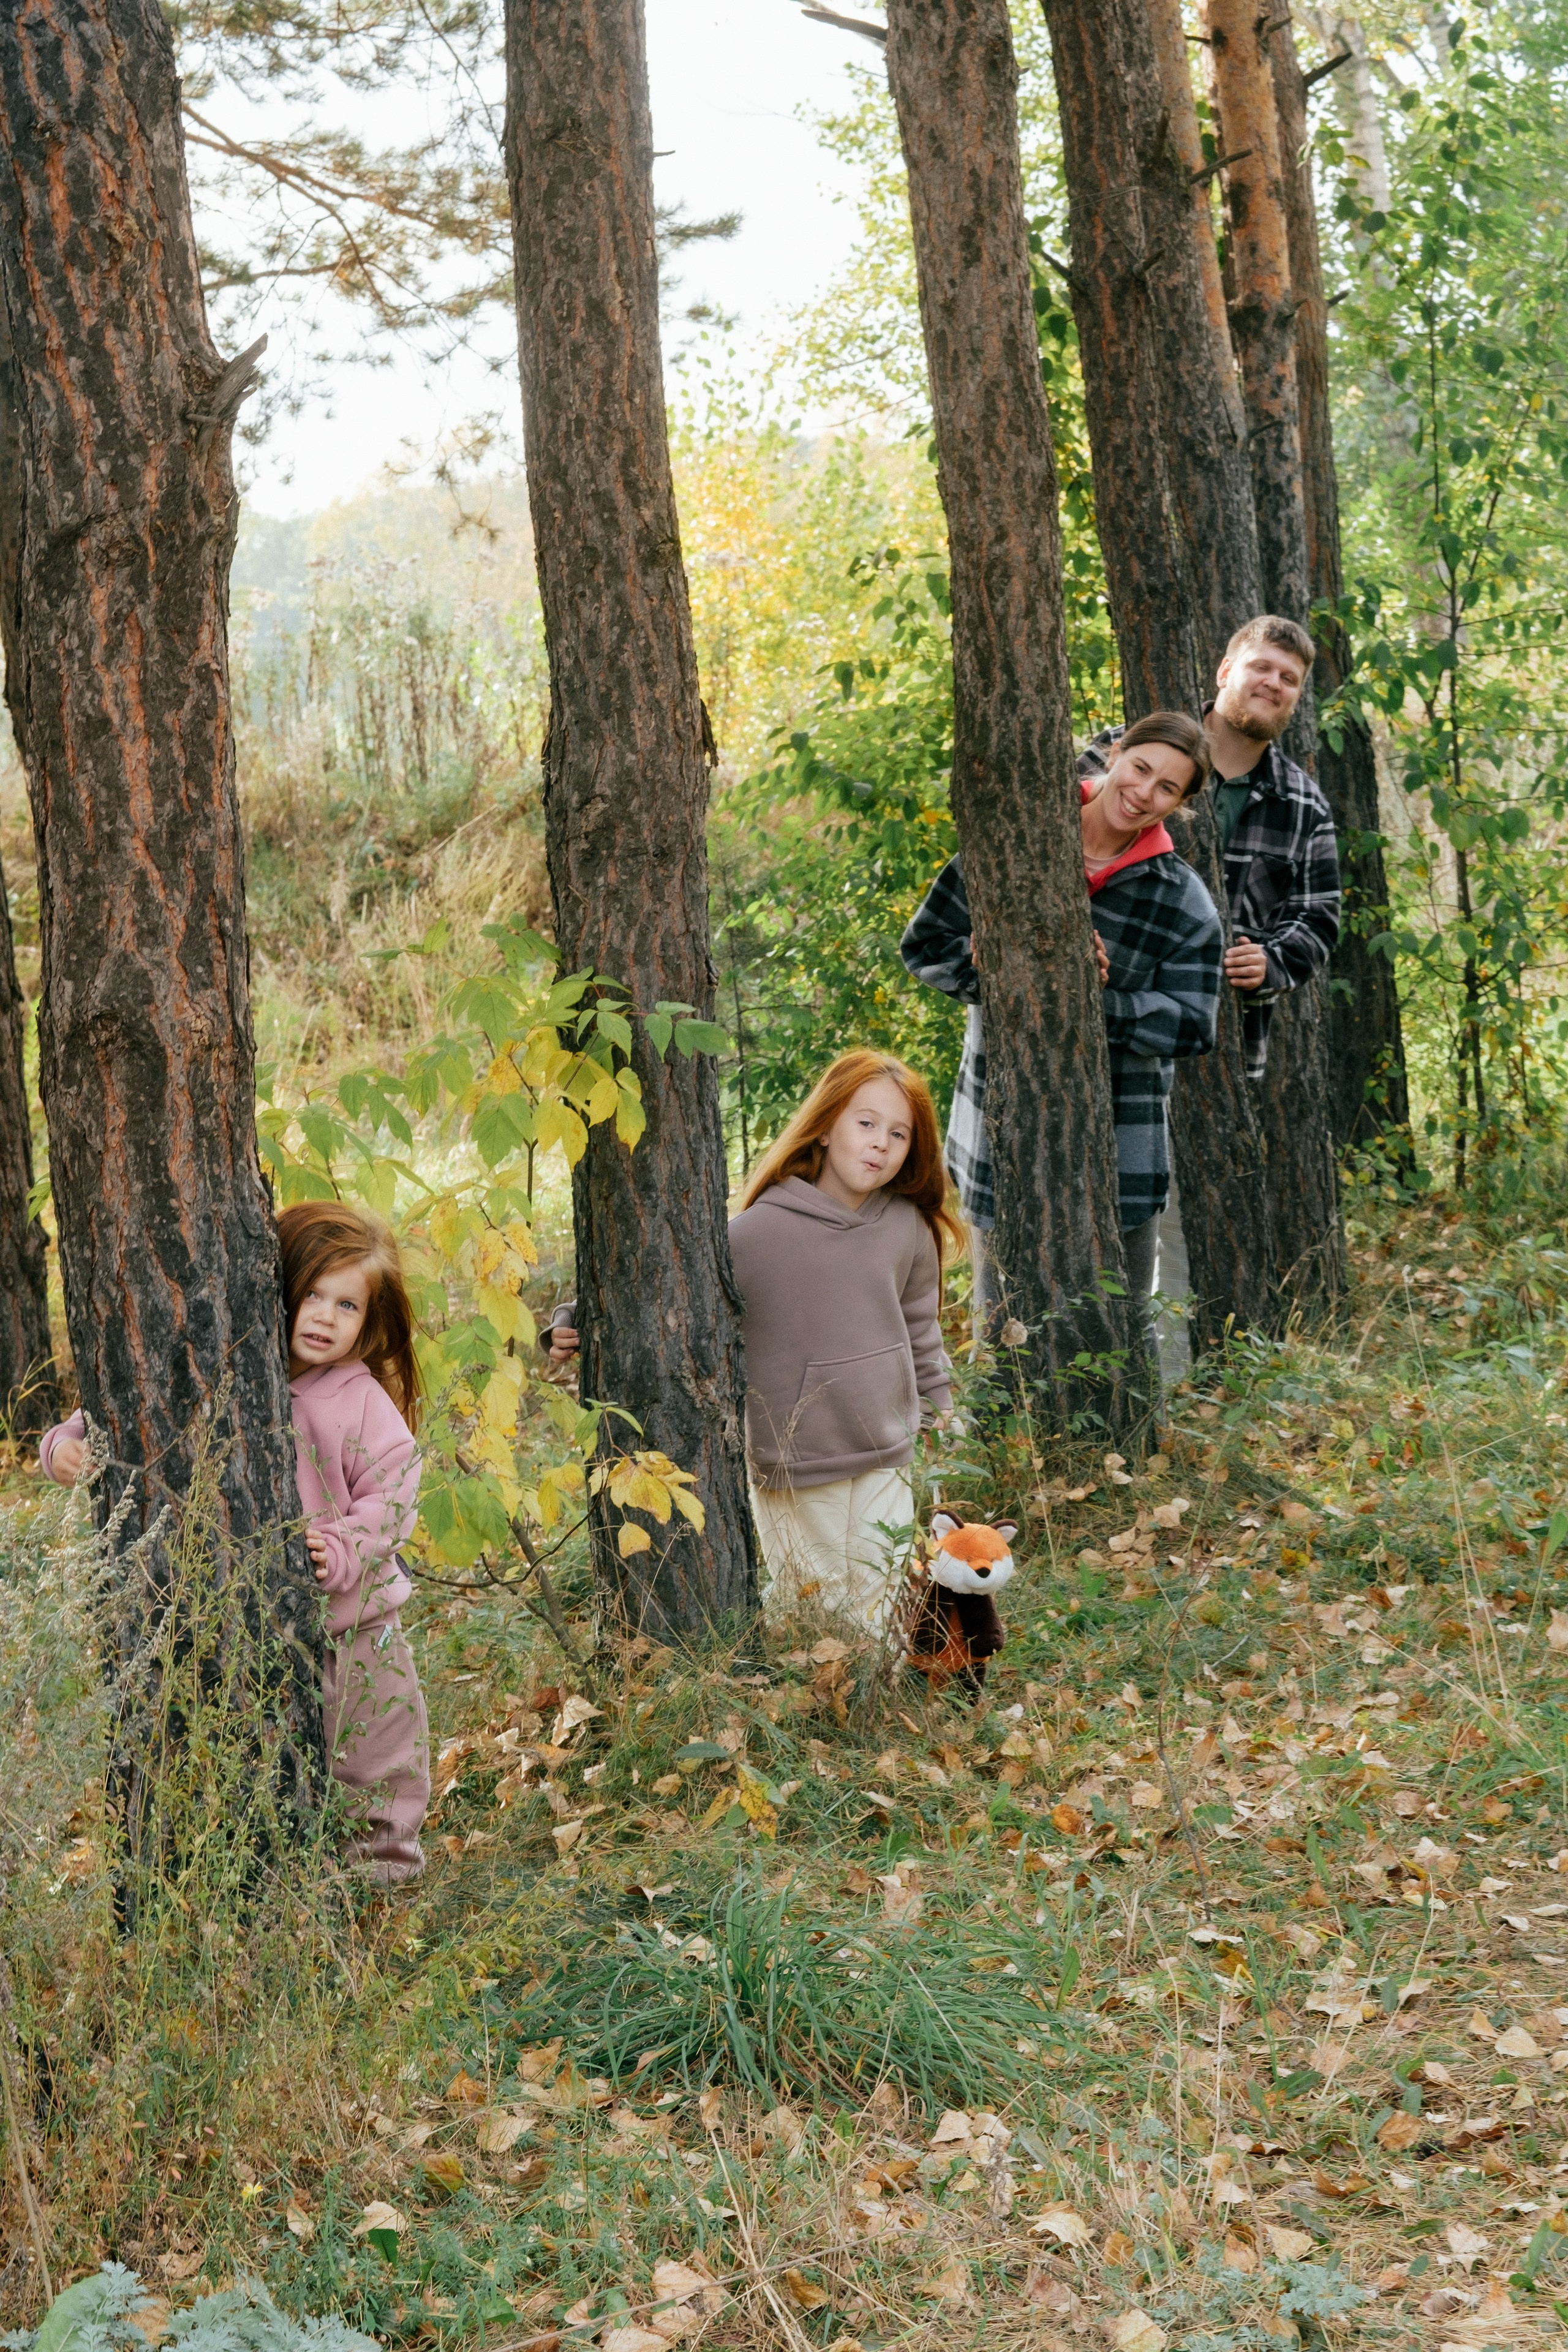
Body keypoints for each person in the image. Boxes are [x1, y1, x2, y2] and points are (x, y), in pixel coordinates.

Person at [42, 1201, 431, 1885]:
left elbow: (393, 1495)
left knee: (378, 1756)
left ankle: (384, 1878)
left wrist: (342, 1545)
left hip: (355, 1632)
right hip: (251, 1630)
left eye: (347, 1305)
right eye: (311, 1294)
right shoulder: (226, 1360)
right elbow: (115, 1407)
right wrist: (64, 1445)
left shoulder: (358, 1398)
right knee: (267, 1766)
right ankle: (275, 1882)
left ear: (369, 1320)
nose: (324, 1317)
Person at [543, 1049, 960, 1635]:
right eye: (866, 1123)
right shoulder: (757, 1232)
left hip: (885, 1447)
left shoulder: (905, 1227)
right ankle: (814, 1686)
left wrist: (938, 1402)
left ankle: (880, 1689)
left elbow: (919, 1327)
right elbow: (661, 1281)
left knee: (883, 1588)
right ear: (824, 1128)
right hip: (796, 1457)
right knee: (815, 1598)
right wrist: (573, 1317)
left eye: (899, 1133)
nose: (880, 1144)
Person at [901, 711, 1223, 1359]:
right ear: (1117, 753)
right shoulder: (1017, 844)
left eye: (1167, 788)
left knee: (1117, 1334)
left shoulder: (1181, 899)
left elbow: (1193, 1023)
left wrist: (1092, 1002)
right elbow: (925, 945)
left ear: (1181, 805)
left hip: (1120, 1143)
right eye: (1140, 767)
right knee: (1004, 1328)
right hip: (1002, 1127)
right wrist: (1001, 966)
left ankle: (1129, 1423)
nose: (1143, 792)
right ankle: (1002, 1423)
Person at [1082, 617, 1342, 1081]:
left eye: (1289, 679)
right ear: (1225, 672)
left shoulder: (1305, 806)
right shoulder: (1133, 748)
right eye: (1261, 667)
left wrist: (1271, 962)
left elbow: (1318, 917)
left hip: (1211, 1042)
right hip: (1093, 1005)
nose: (1273, 683)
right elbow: (1046, 836)